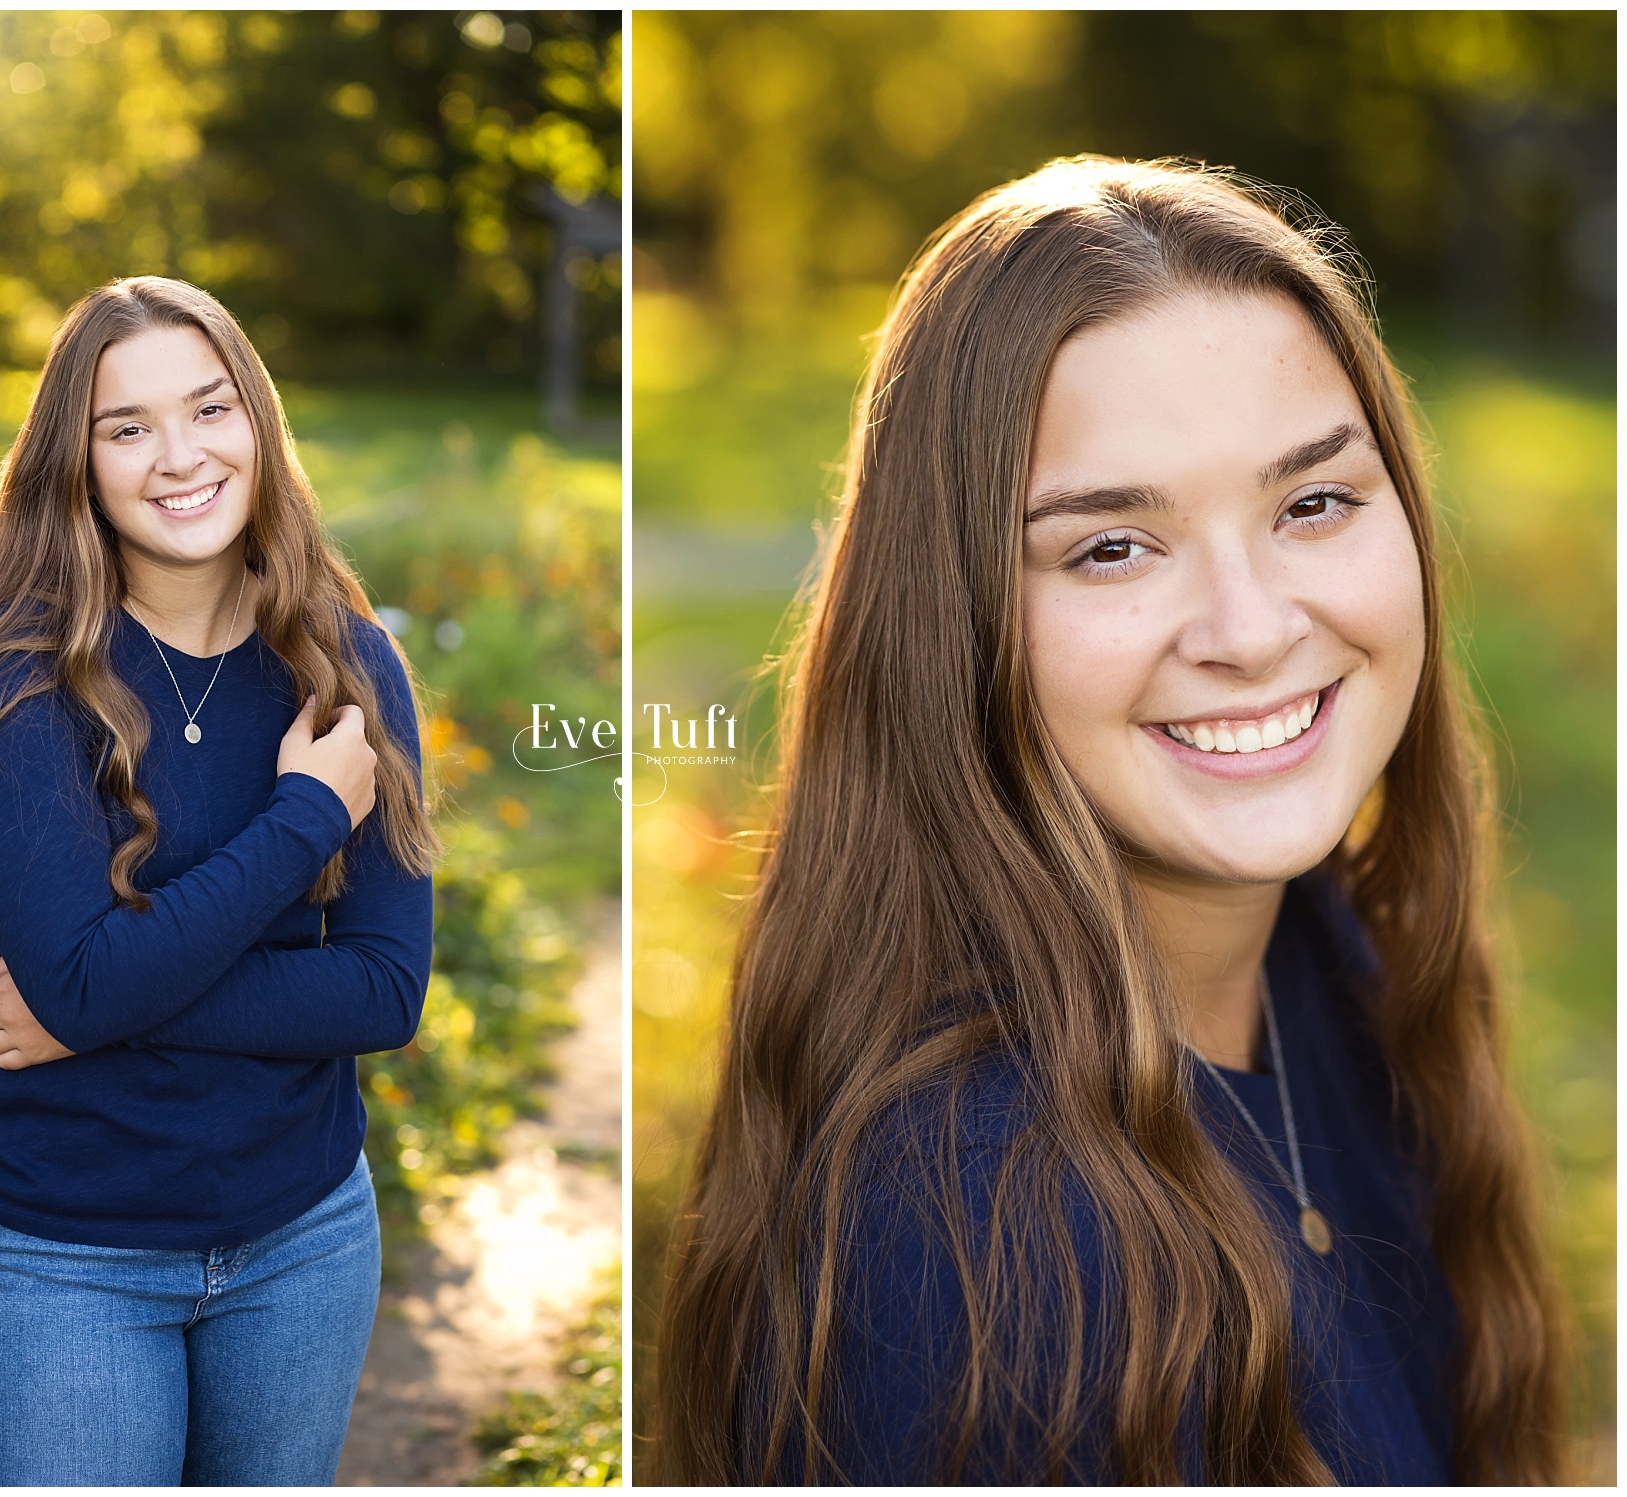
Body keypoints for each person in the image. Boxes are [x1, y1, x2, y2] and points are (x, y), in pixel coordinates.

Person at [648, 159, 1566, 1485]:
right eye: (1111, 547)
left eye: (1311, 503)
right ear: (955, 624)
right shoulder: (977, 1249)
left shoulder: (1329, 959)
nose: (1251, 631)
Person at [0, 275, 437, 1486]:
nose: (178, 456)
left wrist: (91, 998)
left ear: (259, 423)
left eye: (210, 408)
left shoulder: (349, 668)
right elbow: (86, 983)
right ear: (74, 463)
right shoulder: (19, 676)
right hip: (71, 1255)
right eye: (126, 426)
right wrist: (302, 820)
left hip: (301, 1238)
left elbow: (383, 993)